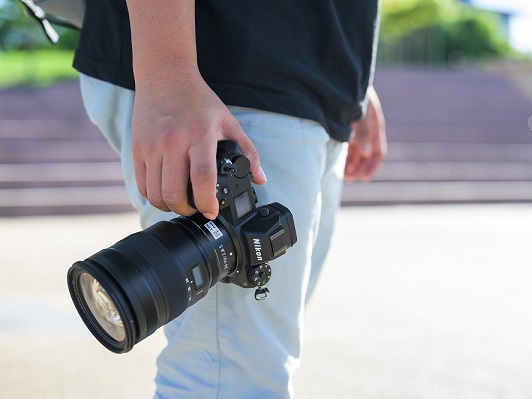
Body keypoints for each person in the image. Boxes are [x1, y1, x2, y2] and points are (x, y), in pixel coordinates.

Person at [73, 1, 386, 398]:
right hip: (219, 71)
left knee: (247, 361)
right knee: (228, 379)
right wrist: (168, 68)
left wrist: (349, 70)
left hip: (314, 78)